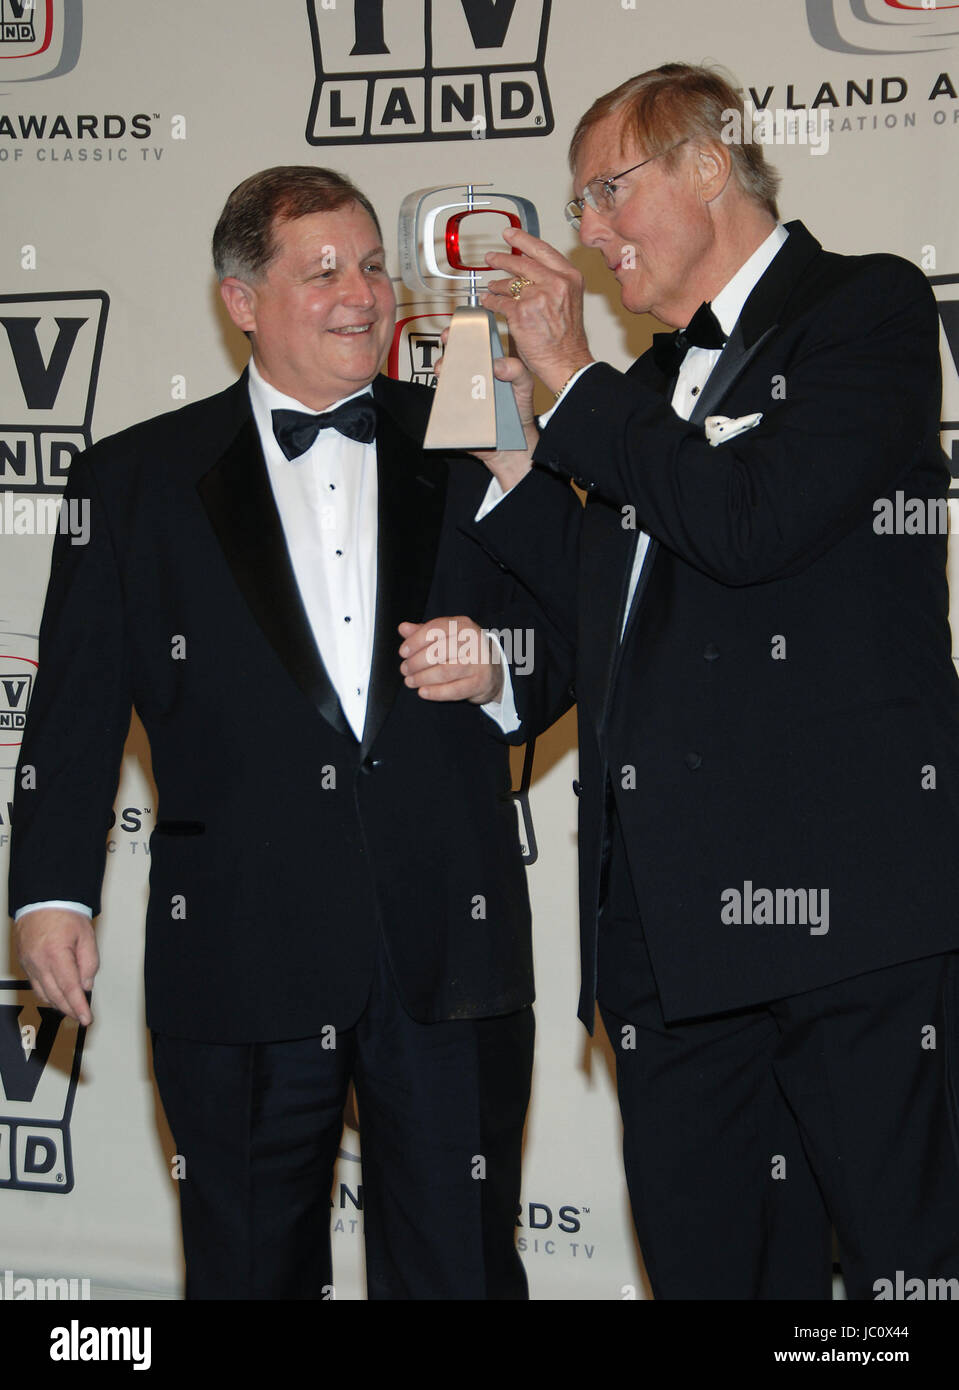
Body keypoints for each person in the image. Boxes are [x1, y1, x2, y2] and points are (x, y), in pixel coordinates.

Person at [9, 166, 571, 1300]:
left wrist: (499, 666)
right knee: (248, 1270)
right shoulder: (129, 480)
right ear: (240, 300)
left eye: (370, 264)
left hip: (444, 946)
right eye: (321, 271)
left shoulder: (476, 434)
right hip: (239, 951)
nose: (360, 293)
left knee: (458, 1270)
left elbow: (577, 630)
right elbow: (71, 710)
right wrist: (51, 893)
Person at [470, 63, 959, 1299]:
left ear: (705, 163)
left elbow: (747, 523)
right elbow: (604, 628)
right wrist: (509, 458)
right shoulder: (635, 398)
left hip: (843, 923)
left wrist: (577, 385)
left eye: (603, 192)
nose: (585, 232)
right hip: (665, 945)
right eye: (576, 203)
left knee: (899, 1273)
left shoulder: (867, 310)